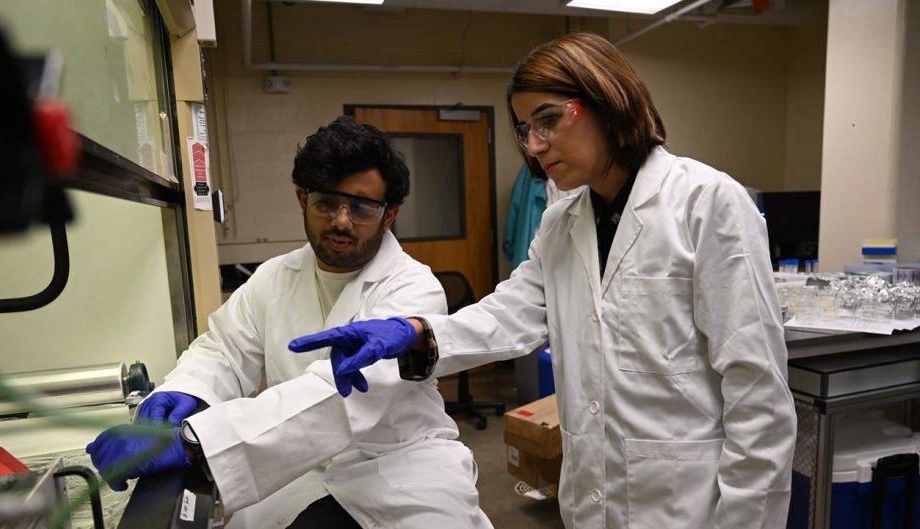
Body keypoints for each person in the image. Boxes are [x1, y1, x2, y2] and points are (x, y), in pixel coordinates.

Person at [290, 32, 797, 529]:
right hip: (591, 495)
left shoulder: (707, 203)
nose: (534, 145)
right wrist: (418, 332)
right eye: (524, 129)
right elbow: (513, 314)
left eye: (549, 120)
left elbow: (758, 394)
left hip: (690, 500)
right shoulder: (562, 221)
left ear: (607, 99)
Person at [86, 116, 492, 529]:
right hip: (300, 470)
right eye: (326, 203)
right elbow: (223, 350)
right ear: (303, 199)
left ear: (389, 216)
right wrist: (183, 389)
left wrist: (195, 443)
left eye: (362, 208)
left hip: (403, 470)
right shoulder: (273, 277)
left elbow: (341, 395)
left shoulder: (413, 289)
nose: (341, 221)